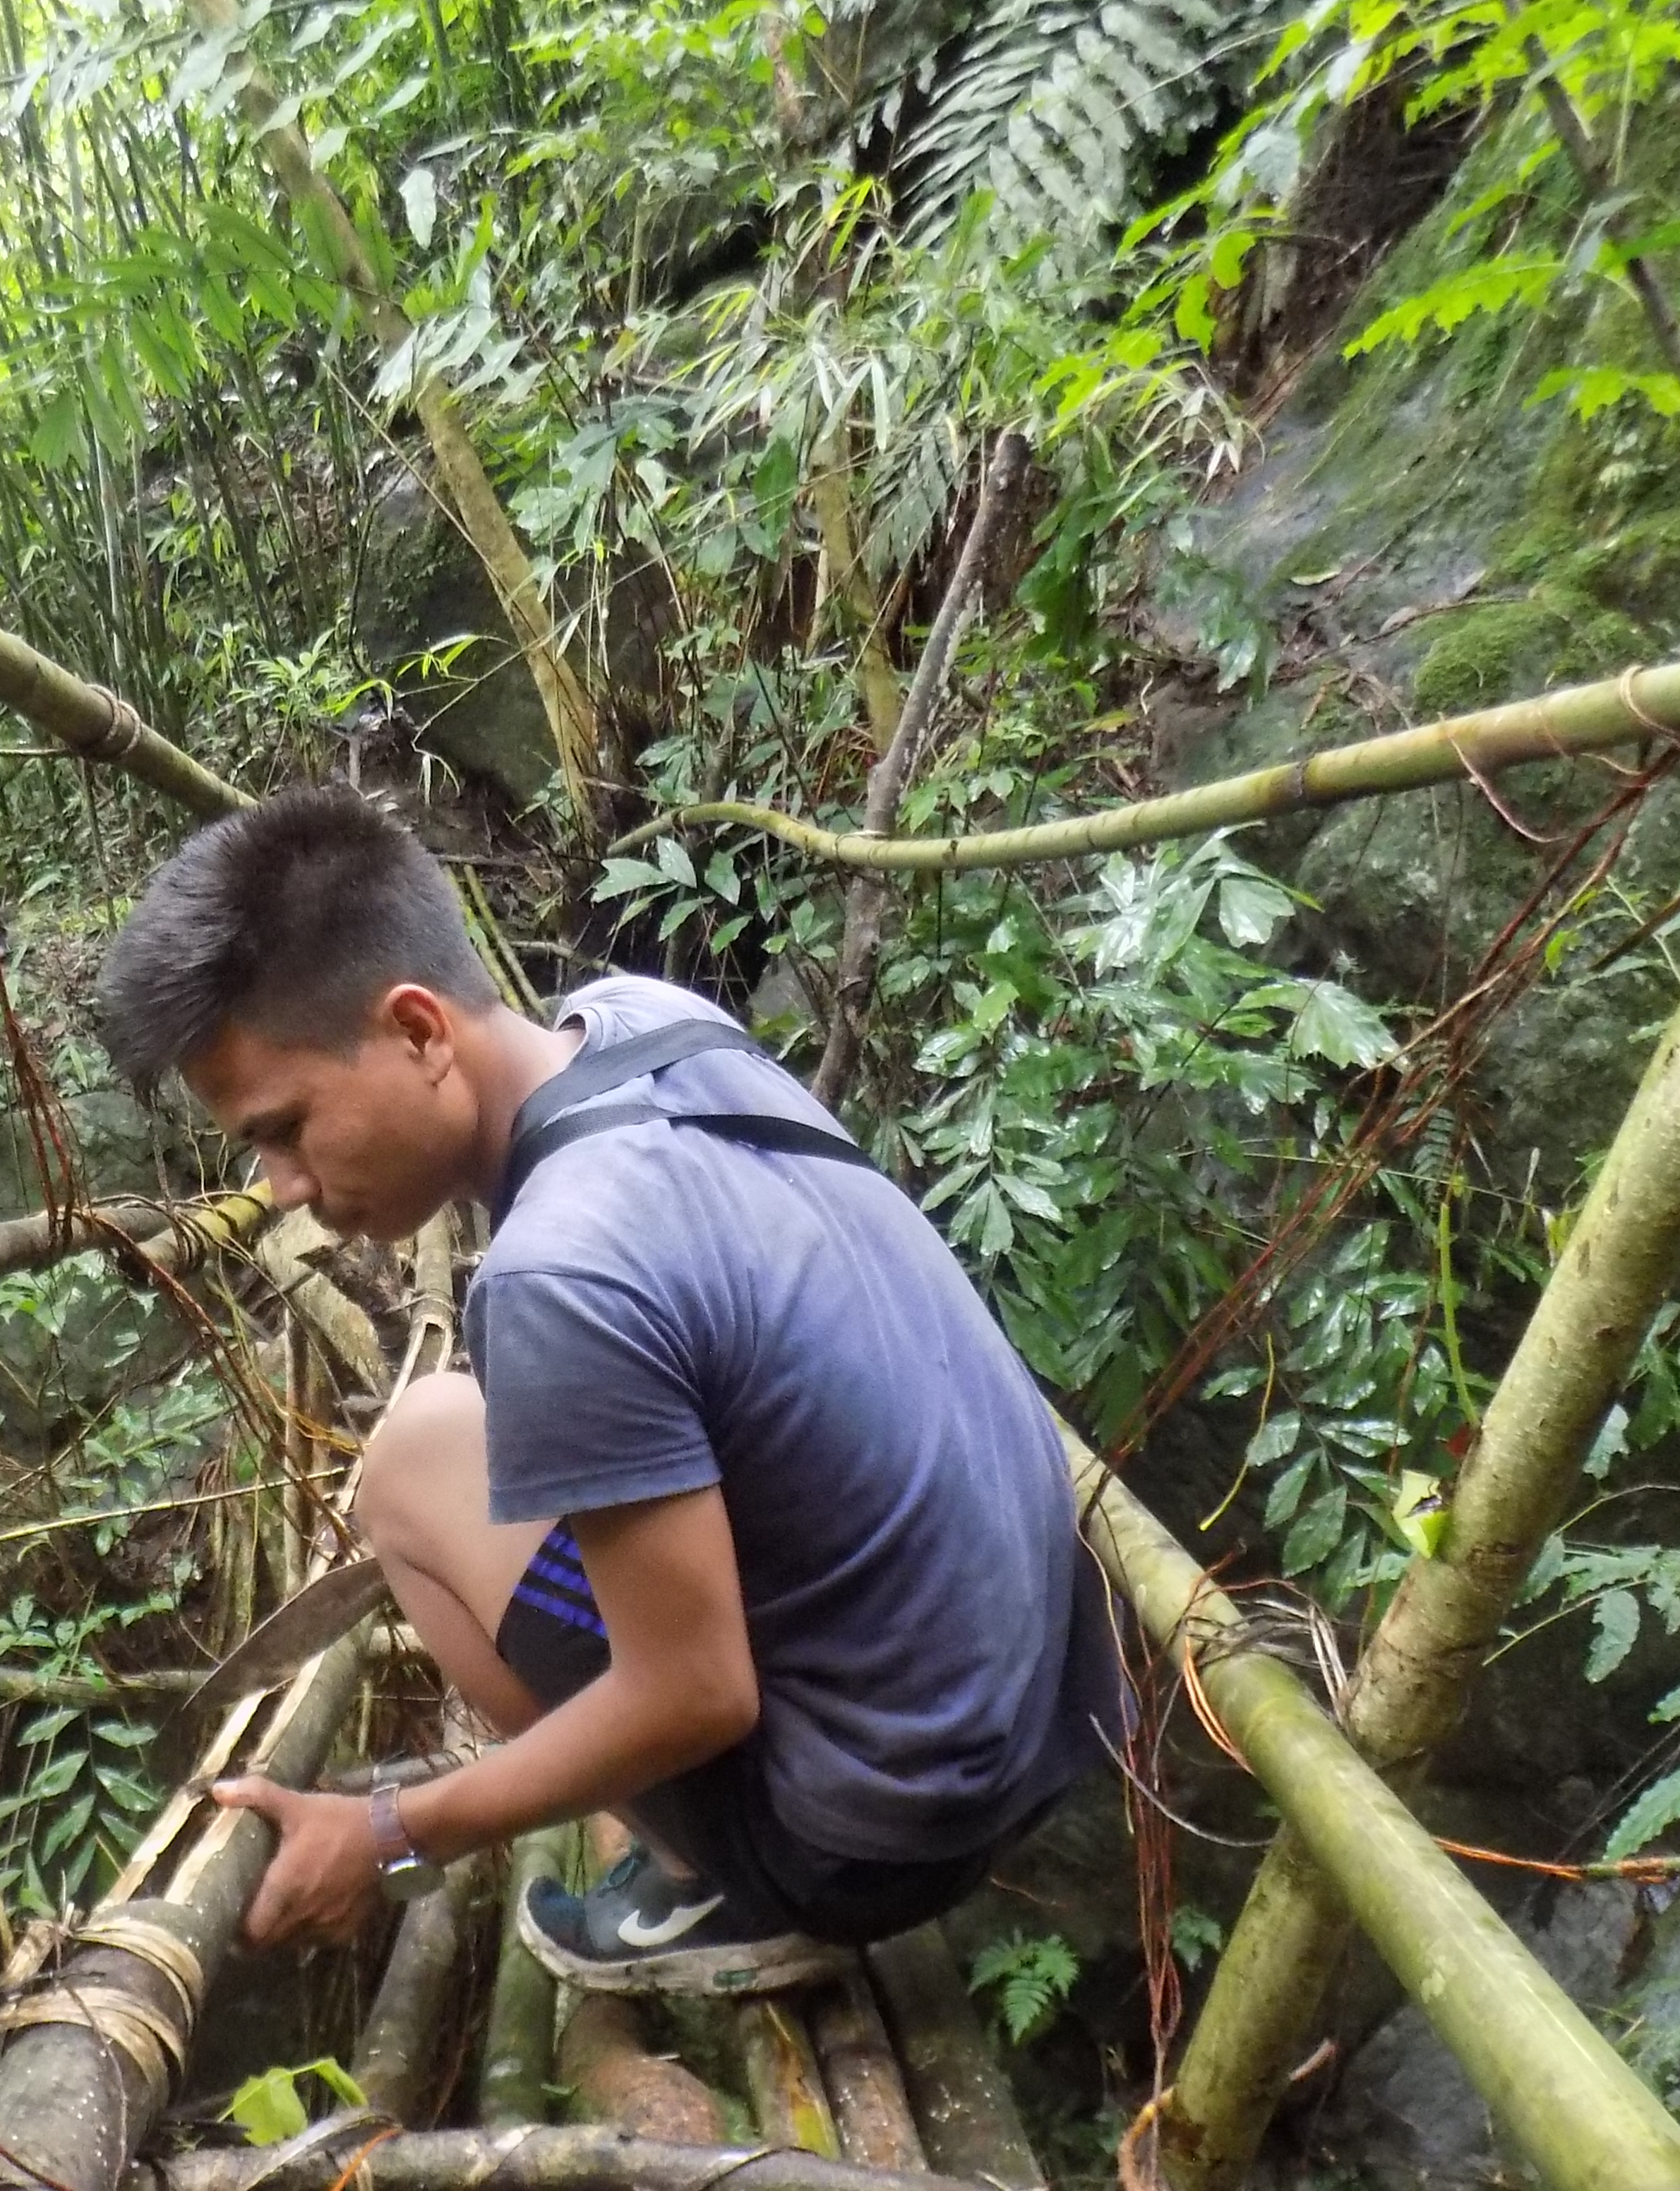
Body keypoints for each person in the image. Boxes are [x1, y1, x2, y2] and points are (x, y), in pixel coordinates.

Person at [95, 784, 1121, 1994]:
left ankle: (720, 1887)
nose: (280, 1188)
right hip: (1044, 1715)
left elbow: (692, 1692)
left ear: (423, 1030)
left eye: (288, 1128)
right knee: (452, 1435)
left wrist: (385, 1832)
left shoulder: (560, 1277)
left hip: (873, 1843)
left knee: (414, 1472)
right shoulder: (644, 1019)